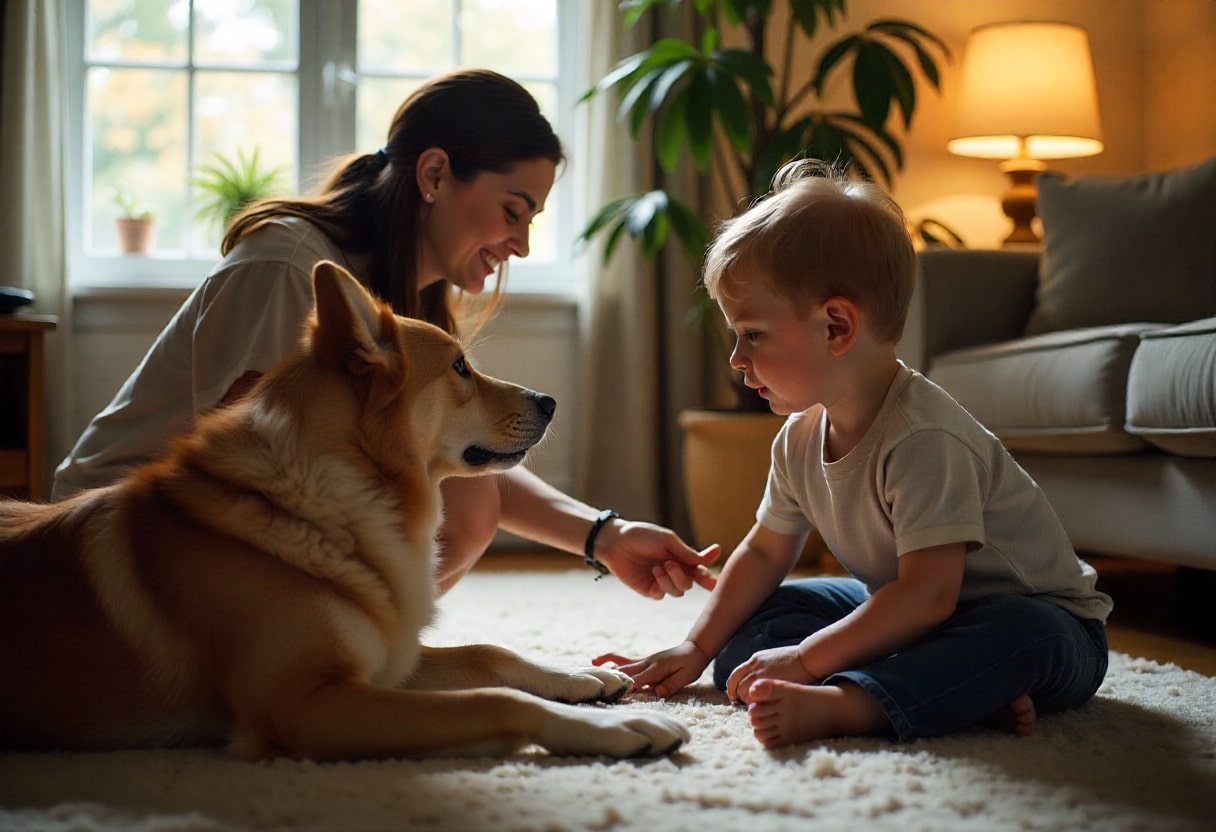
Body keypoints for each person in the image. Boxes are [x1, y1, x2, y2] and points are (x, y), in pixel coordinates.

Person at [52, 68, 719, 599]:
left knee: (467, 490)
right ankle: (345, 650)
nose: (518, 243)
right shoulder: (287, 265)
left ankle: (354, 648)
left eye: (531, 222)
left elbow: (459, 452)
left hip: (213, 537)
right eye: (514, 212)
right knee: (458, 502)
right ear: (433, 175)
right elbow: (257, 472)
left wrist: (605, 535)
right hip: (119, 541)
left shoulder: (402, 305)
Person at [598, 159, 1112, 748]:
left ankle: (854, 703)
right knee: (761, 623)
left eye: (752, 334)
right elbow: (766, 552)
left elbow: (930, 593)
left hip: (1042, 624)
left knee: (1022, 634)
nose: (737, 359)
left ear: (837, 327)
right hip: (906, 616)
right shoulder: (797, 436)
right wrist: (697, 646)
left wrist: (810, 662)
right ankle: (950, 694)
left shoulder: (924, 439)